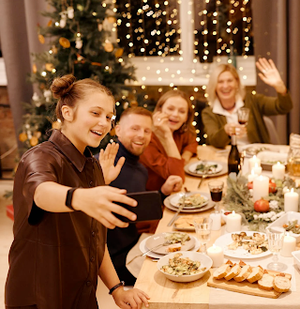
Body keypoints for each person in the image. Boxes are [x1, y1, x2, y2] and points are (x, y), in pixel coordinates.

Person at [5, 75, 149, 309]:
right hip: (41, 296)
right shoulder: (40, 157)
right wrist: (79, 196)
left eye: (109, 116)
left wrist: (116, 289)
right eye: (95, 113)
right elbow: (42, 192)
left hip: (81, 292)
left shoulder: (92, 166)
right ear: (67, 113)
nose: (104, 123)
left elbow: (94, 241)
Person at [101, 107, 183, 285]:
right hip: (116, 261)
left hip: (136, 244)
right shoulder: (104, 166)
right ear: (118, 130)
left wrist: (162, 193)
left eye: (147, 131)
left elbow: (135, 206)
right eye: (135, 128)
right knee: (177, 272)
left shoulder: (139, 168)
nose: (142, 135)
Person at [202, 58, 293, 148]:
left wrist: (280, 87)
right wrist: (225, 131)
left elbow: (284, 107)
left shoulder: (253, 101)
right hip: (228, 157)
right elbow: (213, 140)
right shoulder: (209, 113)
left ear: (237, 83)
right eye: (220, 82)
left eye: (230, 81)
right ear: (214, 86)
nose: (225, 86)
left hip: (256, 156)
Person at [139, 89, 197, 191]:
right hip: (156, 198)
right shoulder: (146, 139)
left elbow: (192, 141)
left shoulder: (178, 131)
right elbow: (177, 177)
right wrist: (167, 136)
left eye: (182, 111)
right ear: (159, 110)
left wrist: (184, 158)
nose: (175, 114)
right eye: (170, 109)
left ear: (186, 117)